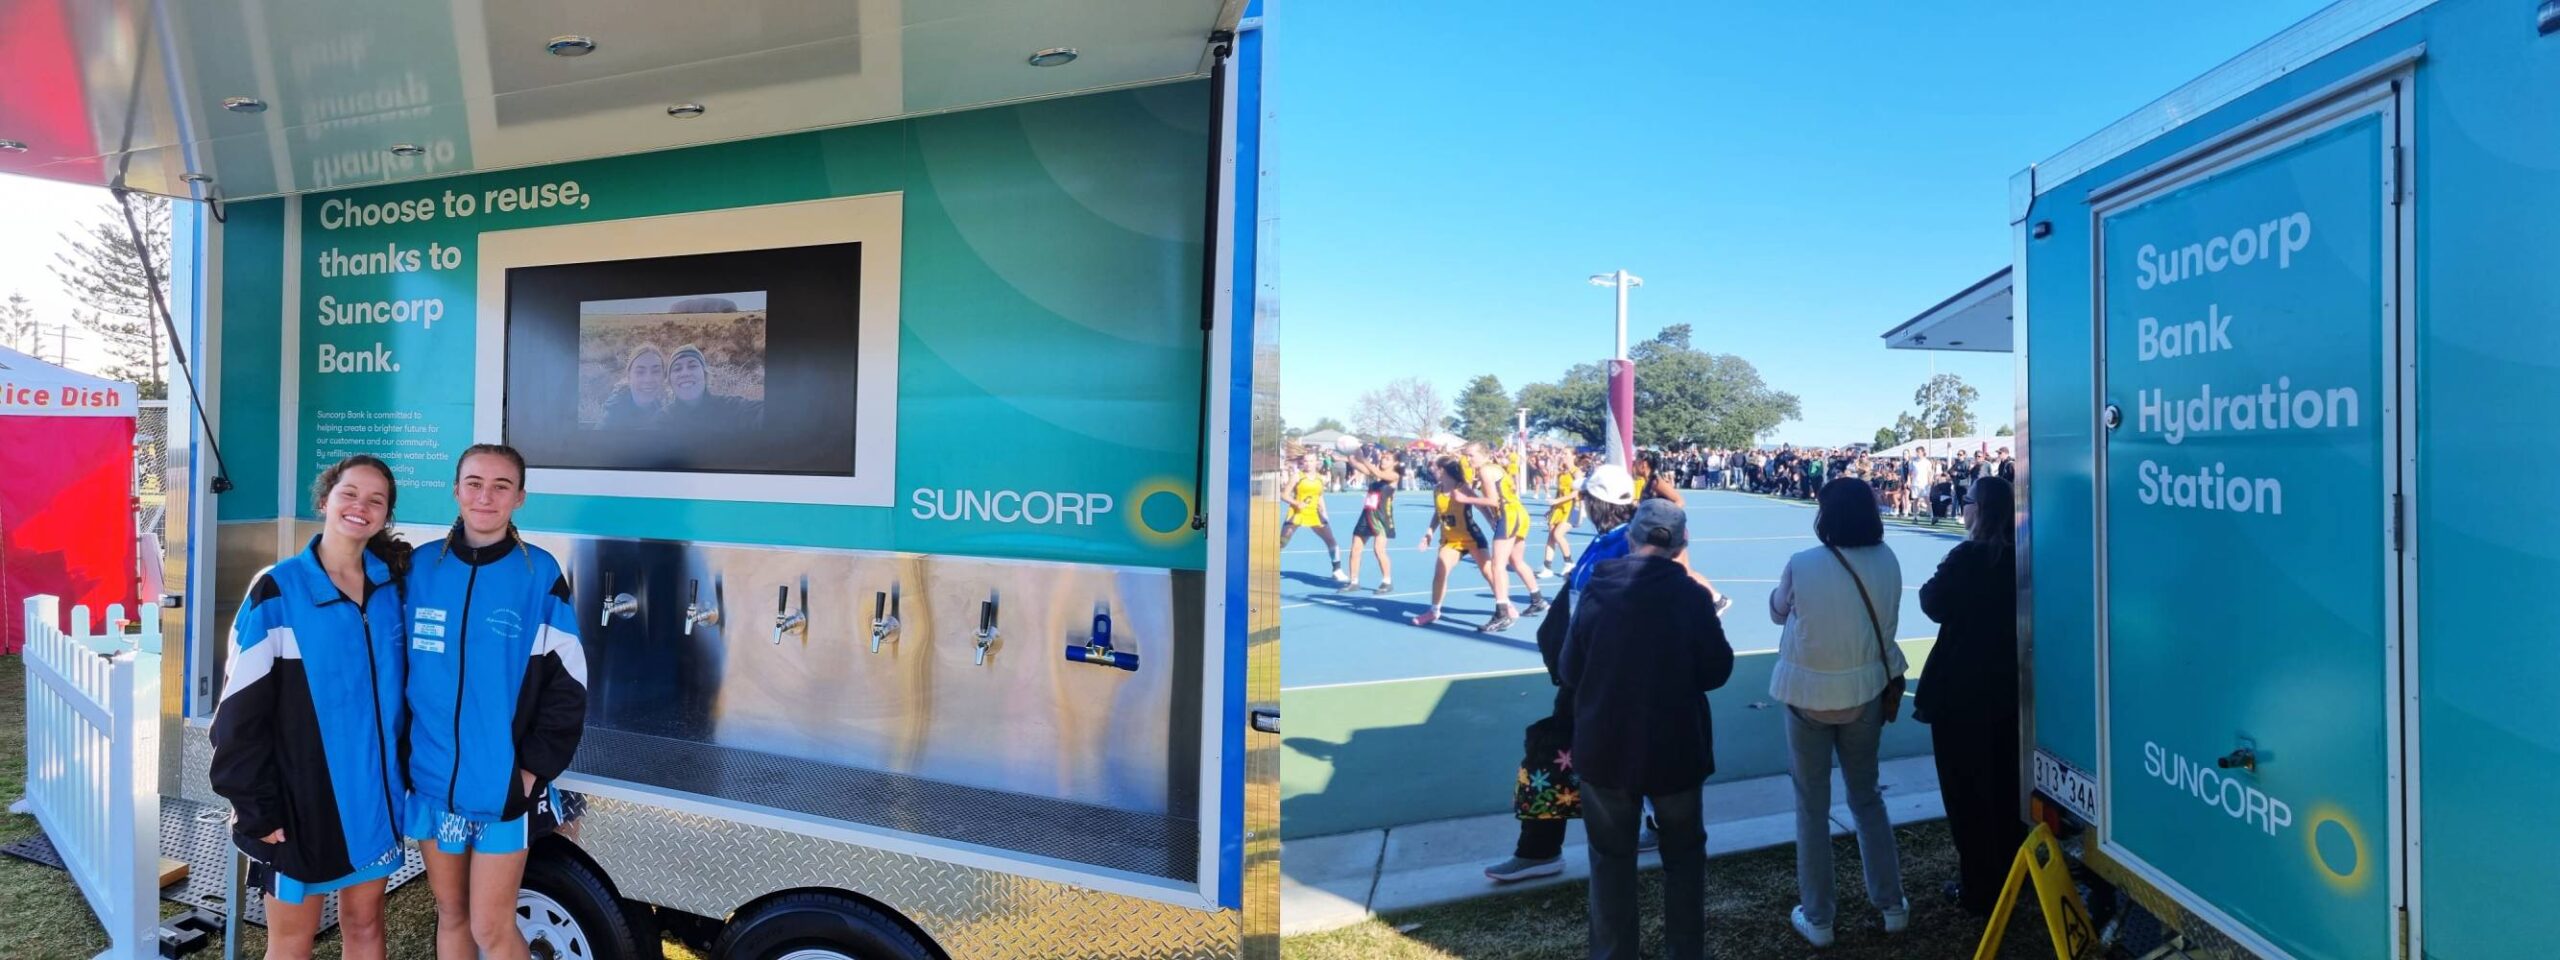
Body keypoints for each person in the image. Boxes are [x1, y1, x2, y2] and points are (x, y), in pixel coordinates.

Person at [210, 455, 411, 960]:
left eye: (375, 500)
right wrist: (257, 807)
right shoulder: (278, 590)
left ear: (385, 516)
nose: (360, 507)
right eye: (349, 493)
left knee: (365, 926)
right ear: (324, 500)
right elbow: (237, 713)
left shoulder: (393, 590)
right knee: (292, 940)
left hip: (372, 802)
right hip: (297, 803)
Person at [403, 445, 590, 960]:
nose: (486, 496)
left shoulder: (539, 576)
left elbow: (567, 686)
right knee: (453, 915)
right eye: (475, 483)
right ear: (456, 490)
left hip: (501, 790)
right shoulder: (420, 569)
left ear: (520, 498)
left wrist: (530, 772)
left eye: (501, 485)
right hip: (433, 783)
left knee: (491, 925)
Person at [1560, 500, 1736, 960]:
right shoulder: (1692, 597)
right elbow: (1717, 670)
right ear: (1681, 544)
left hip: (1605, 745)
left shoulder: (1597, 590)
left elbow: (1569, 669)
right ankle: (1685, 951)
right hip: (1675, 745)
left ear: (1632, 537)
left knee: (1610, 858)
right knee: (1684, 857)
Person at [1769, 476, 1911, 947]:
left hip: (1807, 694)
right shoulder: (1887, 559)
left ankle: (1819, 916)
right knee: (1866, 797)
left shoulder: (1803, 563)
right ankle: (1891, 903)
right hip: (1866, 691)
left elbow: (1777, 610)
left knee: (1811, 806)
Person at [1486, 464, 1642, 883]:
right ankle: (1541, 848)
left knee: (1553, 753)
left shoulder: (1626, 546)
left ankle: (1539, 850)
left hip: (1600, 677)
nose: (1581, 505)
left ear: (1597, 502)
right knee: (1611, 753)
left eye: (1585, 498)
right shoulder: (1607, 541)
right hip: (1588, 671)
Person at [1917, 475, 2024, 916]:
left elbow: (1932, 602)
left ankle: (1980, 888)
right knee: (2006, 791)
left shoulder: (1967, 558)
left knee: (1966, 795)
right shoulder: (2024, 559)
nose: (1963, 507)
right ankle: (2013, 878)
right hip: (2011, 689)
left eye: (1968, 502)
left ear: (1980, 509)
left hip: (1962, 693)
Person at [1411, 456, 1504, 629]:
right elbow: (1438, 513)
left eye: (1434, 467)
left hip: (1471, 537)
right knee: (1440, 572)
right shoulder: (1437, 490)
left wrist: (1491, 520)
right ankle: (1434, 611)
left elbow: (1480, 506)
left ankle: (1505, 606)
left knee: (1488, 573)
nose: (1431, 470)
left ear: (1443, 470)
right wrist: (1429, 533)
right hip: (1451, 540)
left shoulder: (1463, 488)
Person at [657, 342, 765, 431]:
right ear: (670, 381)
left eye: (692, 366)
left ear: (705, 374)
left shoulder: (730, 408)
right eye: (677, 368)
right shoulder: (663, 420)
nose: (685, 373)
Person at [1340, 451, 1400, 595]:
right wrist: (1350, 454)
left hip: (1381, 517)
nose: (1384, 460)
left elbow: (1378, 473)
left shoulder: (1393, 476)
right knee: (1355, 548)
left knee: (1378, 550)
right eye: (1383, 458)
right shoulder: (1375, 474)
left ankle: (1387, 581)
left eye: (1388, 459)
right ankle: (1354, 581)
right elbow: (1359, 466)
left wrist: (1364, 459)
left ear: (1395, 463)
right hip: (1366, 514)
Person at [1281, 456, 1345, 581]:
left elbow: (1319, 496)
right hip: (1297, 512)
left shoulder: (1320, 478)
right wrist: (1296, 503)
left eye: (1311, 461)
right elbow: (1284, 495)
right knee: (1282, 542)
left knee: (1331, 540)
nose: (1308, 464)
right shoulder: (1297, 476)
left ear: (1316, 462)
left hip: (1314, 513)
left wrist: (1324, 511)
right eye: (1305, 461)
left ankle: (1337, 570)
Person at [597, 344, 668, 430]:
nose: (648, 379)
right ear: (629, 376)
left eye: (656, 371)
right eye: (640, 372)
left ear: (663, 376)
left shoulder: (660, 409)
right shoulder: (613, 417)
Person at [1541, 455, 1583, 576]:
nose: (1563, 456)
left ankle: (1569, 563)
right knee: (1551, 536)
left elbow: (1575, 493)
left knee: (1558, 534)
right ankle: (1547, 567)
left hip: (1571, 507)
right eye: (1562, 453)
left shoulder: (1576, 472)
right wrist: (1552, 508)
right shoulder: (1562, 472)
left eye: (1566, 453)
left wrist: (1557, 501)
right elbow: (1558, 492)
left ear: (1573, 456)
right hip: (1558, 508)